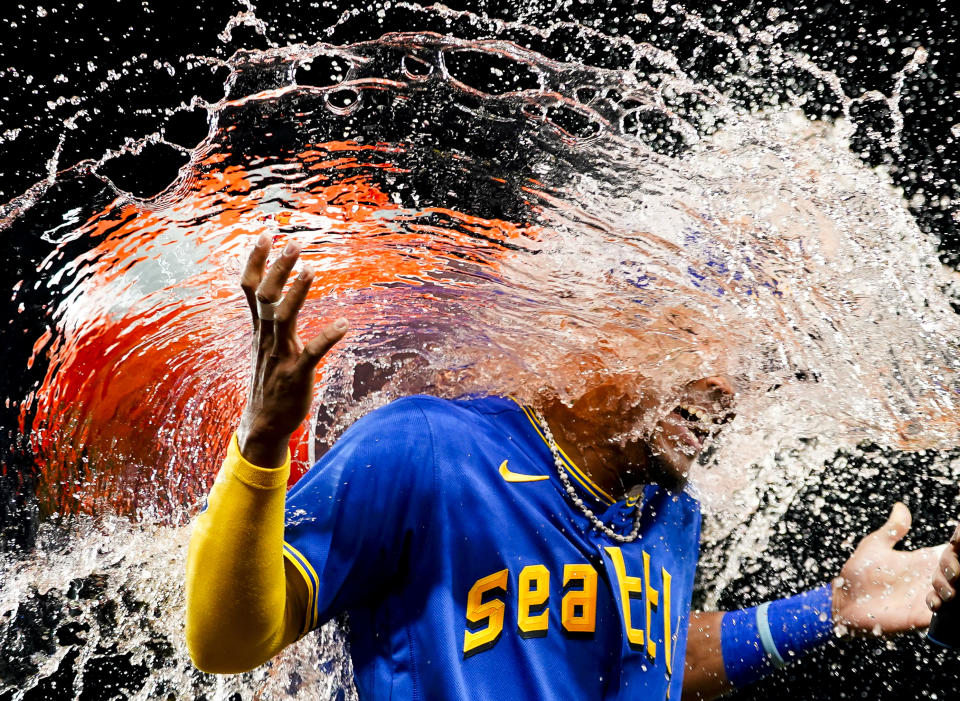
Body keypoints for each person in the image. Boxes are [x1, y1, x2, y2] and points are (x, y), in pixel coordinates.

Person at [186, 236, 944, 700]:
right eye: (689, 337)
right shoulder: (427, 450)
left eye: (737, 360)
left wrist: (826, 611)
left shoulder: (668, 516)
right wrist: (260, 447)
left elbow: (642, 662)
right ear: (594, 338)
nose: (723, 382)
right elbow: (224, 643)